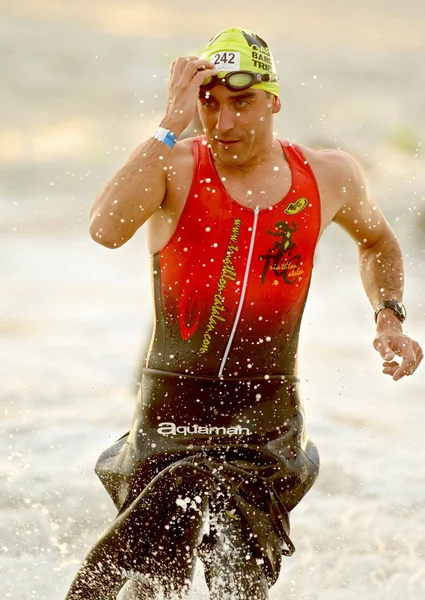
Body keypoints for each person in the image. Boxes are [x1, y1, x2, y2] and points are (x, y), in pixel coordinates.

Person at [65, 27, 423, 600]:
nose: (224, 122)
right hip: (171, 421)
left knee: (240, 588)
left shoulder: (327, 176)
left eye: (242, 102)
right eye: (210, 102)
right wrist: (169, 122)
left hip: (266, 419)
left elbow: (377, 242)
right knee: (144, 586)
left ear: (274, 99)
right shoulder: (174, 164)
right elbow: (105, 229)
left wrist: (389, 318)